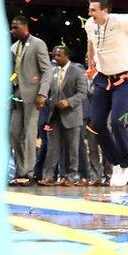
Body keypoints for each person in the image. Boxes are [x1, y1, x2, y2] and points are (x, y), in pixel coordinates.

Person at [82, 0, 128, 187]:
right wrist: (91, 62)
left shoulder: (121, 21)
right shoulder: (90, 25)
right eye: (90, 10)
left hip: (123, 80)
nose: (90, 13)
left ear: (105, 11)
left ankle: (125, 163)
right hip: (101, 79)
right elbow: (91, 41)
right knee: (96, 123)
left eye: (93, 10)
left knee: (116, 122)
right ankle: (117, 163)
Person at [9, 16, 52, 184]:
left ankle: (29, 172)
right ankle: (20, 171)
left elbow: (47, 70)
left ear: (25, 26)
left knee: (29, 133)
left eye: (16, 27)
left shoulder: (37, 43)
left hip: (34, 95)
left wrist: (42, 93)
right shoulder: (14, 46)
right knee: (13, 132)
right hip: (16, 93)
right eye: (12, 28)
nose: (13, 31)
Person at [40, 43, 88, 185]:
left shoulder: (77, 71)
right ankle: (48, 176)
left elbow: (82, 93)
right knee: (52, 148)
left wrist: (69, 102)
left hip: (72, 115)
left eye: (59, 55)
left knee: (73, 149)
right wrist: (48, 100)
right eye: (54, 55)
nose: (56, 58)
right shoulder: (53, 71)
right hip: (54, 115)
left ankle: (72, 176)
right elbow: (49, 91)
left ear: (67, 56)